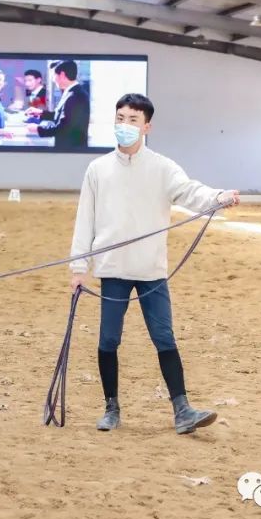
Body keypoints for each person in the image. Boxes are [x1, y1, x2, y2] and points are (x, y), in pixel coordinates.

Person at [68, 92, 240, 434]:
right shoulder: (97, 170)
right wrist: (78, 268)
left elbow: (190, 192)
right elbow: (84, 220)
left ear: (147, 126)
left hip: (152, 271)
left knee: (164, 337)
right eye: (120, 118)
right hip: (112, 268)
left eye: (132, 120)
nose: (124, 125)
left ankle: (182, 410)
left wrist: (218, 198)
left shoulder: (162, 167)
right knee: (108, 341)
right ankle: (111, 408)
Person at [26, 60, 89, 149]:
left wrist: (38, 129)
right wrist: (40, 113)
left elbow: (66, 128)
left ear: (62, 75)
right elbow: (60, 116)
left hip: (71, 150)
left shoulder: (76, 96)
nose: (53, 79)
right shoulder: (70, 92)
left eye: (53, 76)